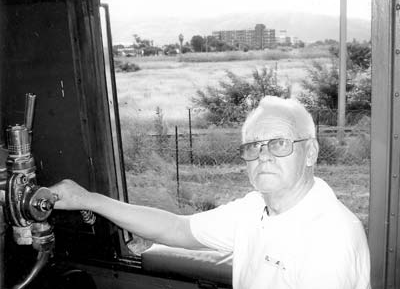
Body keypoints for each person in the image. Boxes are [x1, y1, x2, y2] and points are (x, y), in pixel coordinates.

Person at [50, 96, 370, 289]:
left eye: (279, 143)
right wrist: (85, 199)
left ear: (311, 152)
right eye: (253, 146)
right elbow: (176, 228)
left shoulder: (329, 237)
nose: (264, 155)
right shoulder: (254, 208)